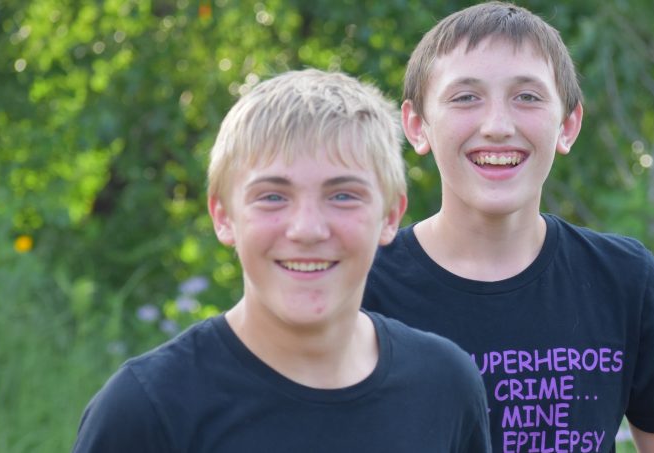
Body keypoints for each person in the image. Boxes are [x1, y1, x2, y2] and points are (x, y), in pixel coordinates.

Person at [73, 69, 491, 452]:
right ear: (223, 217)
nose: (307, 229)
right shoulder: (146, 411)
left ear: (390, 216)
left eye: (342, 195)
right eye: (273, 196)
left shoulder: (444, 385)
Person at [363, 2, 654, 452]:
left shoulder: (624, 280)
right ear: (416, 125)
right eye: (465, 96)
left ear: (567, 125)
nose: (498, 126)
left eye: (527, 96)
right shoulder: (364, 285)